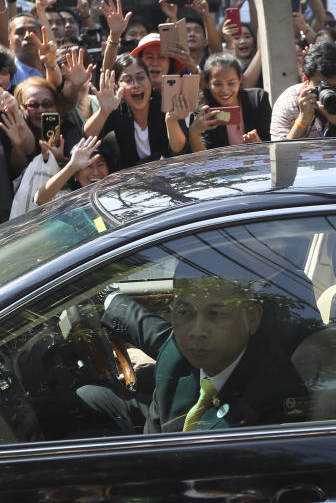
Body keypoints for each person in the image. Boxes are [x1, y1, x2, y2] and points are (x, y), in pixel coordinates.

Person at [77, 248, 308, 434]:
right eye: (185, 312)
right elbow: (154, 441)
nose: (196, 332)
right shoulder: (173, 356)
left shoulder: (273, 400)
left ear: (252, 317)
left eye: (216, 314)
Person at [167, 53, 270, 153]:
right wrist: (193, 134)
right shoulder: (204, 109)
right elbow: (204, 160)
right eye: (217, 84)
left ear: (240, 79)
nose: (225, 90)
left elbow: (271, 144)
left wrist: (259, 145)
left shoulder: (258, 99)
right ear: (207, 84)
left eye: (231, 83)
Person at [84, 55, 173, 170]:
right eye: (128, 80)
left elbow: (180, 149)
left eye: (141, 77)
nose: (135, 84)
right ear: (116, 86)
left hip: (168, 171)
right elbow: (88, 135)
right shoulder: (116, 108)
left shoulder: (164, 103)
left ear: (149, 80)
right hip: (133, 179)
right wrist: (103, 111)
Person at [270, 42, 336, 139]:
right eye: (323, 86)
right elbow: (281, 152)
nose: (331, 93)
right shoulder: (287, 103)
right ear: (305, 79)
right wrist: (302, 121)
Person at [32, 136, 111, 207]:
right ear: (76, 175)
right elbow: (39, 200)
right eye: (88, 166)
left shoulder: (117, 191)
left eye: (100, 164)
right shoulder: (69, 199)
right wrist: (72, 166)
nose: (95, 172)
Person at [10, 15, 44, 86]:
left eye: (33, 31)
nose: (27, 35)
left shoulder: (54, 67)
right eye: (20, 32)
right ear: (9, 40)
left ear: (42, 36)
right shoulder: (8, 73)